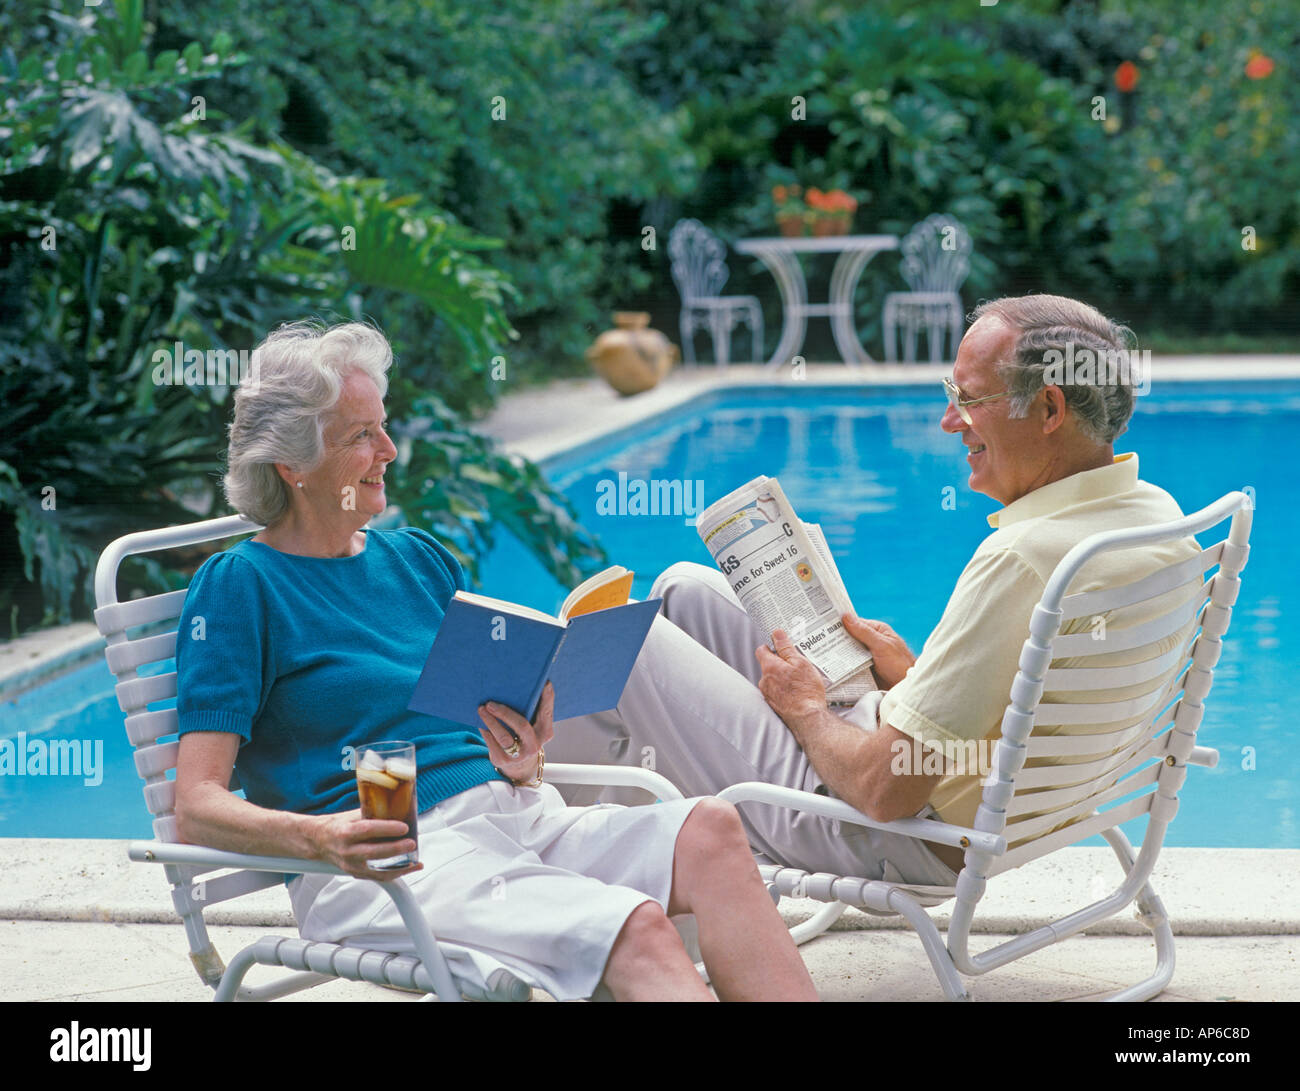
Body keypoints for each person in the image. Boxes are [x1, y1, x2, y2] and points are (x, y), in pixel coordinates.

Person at [173, 320, 818, 1003]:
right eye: (361, 435)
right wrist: (319, 836)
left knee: (712, 830)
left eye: (383, 427)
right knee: (637, 928)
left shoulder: (417, 559)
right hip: (390, 864)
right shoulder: (240, 585)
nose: (388, 450)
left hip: (515, 814)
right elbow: (196, 805)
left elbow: (478, 718)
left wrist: (525, 754)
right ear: (292, 465)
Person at [549, 293, 1200, 882]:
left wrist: (804, 709)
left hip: (892, 831)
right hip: (983, 800)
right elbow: (1024, 711)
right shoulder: (1158, 519)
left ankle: (551, 851)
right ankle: (614, 831)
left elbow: (887, 791)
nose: (950, 421)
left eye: (969, 399)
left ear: (1050, 407)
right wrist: (913, 674)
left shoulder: (1024, 559)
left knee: (618, 644)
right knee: (683, 588)